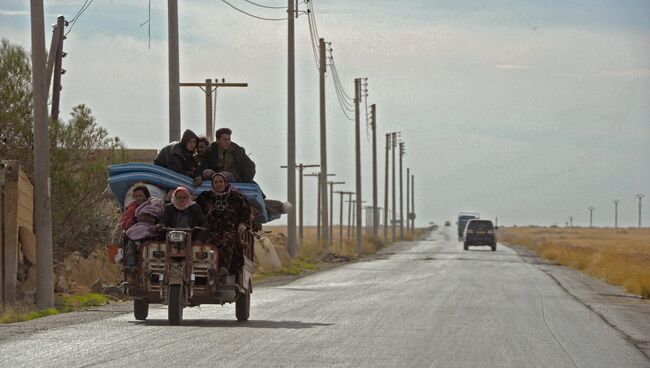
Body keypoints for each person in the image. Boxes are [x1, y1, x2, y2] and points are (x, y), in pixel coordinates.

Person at [197, 172, 252, 275]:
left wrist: (244, 225)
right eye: (216, 182)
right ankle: (211, 268)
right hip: (212, 230)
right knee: (210, 243)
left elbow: (246, 214)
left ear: (226, 182)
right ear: (212, 184)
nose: (218, 184)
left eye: (221, 181)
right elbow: (197, 212)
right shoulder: (205, 197)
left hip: (230, 230)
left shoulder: (237, 197)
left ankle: (223, 268)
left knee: (228, 241)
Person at [124, 196, 165, 270]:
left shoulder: (162, 210)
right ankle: (131, 267)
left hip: (150, 228)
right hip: (141, 227)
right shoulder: (136, 211)